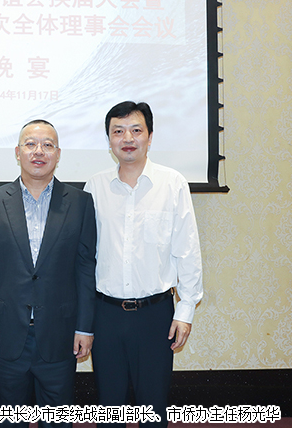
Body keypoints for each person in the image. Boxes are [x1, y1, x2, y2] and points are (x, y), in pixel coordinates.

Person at [84, 101, 203, 428]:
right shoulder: (95, 187)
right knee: (109, 408)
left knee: (153, 408)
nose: (127, 138)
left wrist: (186, 309)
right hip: (106, 314)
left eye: (136, 130)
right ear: (109, 139)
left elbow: (187, 249)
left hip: (155, 315)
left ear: (150, 137)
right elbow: (84, 256)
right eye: (118, 131)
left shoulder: (172, 183)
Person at [0, 120, 97, 428]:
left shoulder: (80, 202)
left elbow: (85, 269)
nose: (38, 151)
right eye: (30, 144)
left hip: (60, 334)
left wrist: (85, 328)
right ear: (18, 152)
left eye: (47, 145)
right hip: (5, 335)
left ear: (58, 153)